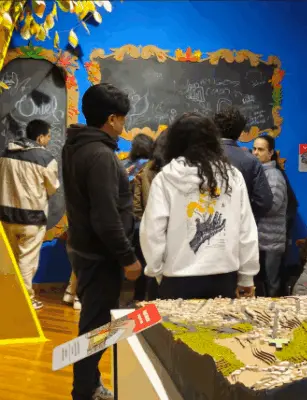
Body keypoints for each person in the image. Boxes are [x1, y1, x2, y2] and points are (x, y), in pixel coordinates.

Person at [62, 83, 142, 400]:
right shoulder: (101, 156)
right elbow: (106, 218)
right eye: (122, 119)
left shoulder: (76, 145)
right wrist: (128, 257)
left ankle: (90, 383)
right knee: (96, 331)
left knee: (92, 324)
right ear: (111, 119)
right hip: (100, 255)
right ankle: (84, 391)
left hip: (85, 249)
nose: (124, 125)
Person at [140, 113, 259, 300]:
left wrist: (156, 270)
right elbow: (246, 229)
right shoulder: (232, 176)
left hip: (177, 277)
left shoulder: (166, 178)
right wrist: (247, 276)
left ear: (174, 142)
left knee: (176, 321)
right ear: (213, 140)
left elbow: (153, 230)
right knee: (221, 321)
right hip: (224, 275)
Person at [0, 119, 59, 310]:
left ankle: (8, 297)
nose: (49, 140)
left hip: (6, 216)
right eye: (48, 136)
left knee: (9, 260)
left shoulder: (6, 153)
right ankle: (25, 300)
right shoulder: (46, 159)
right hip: (32, 219)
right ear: (40, 137)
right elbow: (52, 188)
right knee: (27, 261)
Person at [213, 107, 273, 220]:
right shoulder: (251, 160)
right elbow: (264, 202)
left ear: (214, 129)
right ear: (241, 132)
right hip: (238, 224)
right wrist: (244, 216)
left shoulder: (201, 156)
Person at [132, 129, 168, 301]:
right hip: (170, 230)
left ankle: (140, 298)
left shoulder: (143, 169)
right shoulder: (173, 172)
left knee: (145, 262)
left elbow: (136, 204)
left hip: (144, 224)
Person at [252, 135, 288, 297]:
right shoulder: (259, 173)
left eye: (261, 149)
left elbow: (273, 206)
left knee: (272, 286)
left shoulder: (273, 175)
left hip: (271, 243)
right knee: (260, 285)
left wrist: (250, 203)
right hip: (261, 240)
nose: (255, 153)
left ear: (271, 153)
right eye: (254, 149)